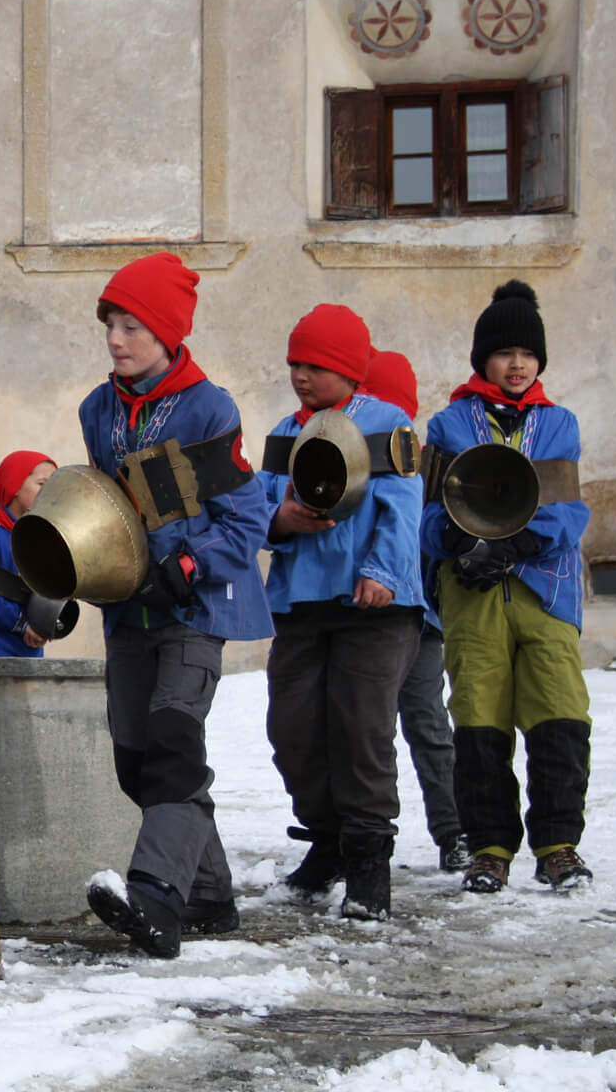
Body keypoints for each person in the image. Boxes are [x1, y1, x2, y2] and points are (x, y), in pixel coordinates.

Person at [73, 253, 272, 958]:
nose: (117, 340)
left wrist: (185, 566)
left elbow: (246, 521)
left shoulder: (207, 407)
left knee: (172, 746)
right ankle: (212, 896)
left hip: (197, 608)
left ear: (167, 333)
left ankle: (158, 898)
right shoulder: (98, 411)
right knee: (137, 760)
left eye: (133, 327)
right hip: (129, 612)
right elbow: (104, 511)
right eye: (111, 325)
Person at [420, 281, 592, 895]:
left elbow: (570, 511)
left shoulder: (558, 425)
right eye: (503, 353)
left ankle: (558, 846)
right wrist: (465, 548)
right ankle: (489, 850)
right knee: (478, 721)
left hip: (544, 588)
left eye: (527, 353)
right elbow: (433, 513)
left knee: (559, 715)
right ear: (482, 359)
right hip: (473, 592)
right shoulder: (449, 424)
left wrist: (515, 543)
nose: (516, 365)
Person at [258, 304, 423, 921]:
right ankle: (325, 840)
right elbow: (261, 505)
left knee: (360, 732)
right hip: (301, 602)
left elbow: (404, 508)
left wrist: (382, 572)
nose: (302, 376)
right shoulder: (284, 432)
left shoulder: (389, 424)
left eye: (317, 366)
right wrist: (280, 520)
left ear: (349, 370)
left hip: (374, 608)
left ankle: (368, 866)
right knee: (293, 732)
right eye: (296, 363)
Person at [361, 349, 471, 873]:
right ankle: (359, 840)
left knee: (427, 724)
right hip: (360, 620)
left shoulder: (426, 464)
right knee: (366, 731)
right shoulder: (343, 461)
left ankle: (454, 832)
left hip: (420, 620)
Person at [0, 450, 56, 657]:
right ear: (15, 485)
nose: (50, 492)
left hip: (30, 647)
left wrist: (45, 623)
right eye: (42, 484)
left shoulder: (45, 541)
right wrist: (22, 624)